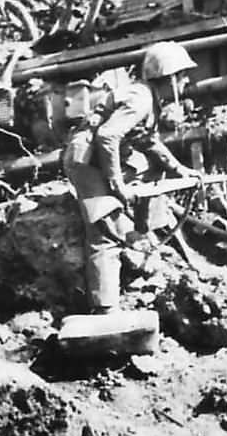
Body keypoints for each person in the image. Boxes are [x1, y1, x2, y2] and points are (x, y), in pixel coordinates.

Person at [62, 41, 201, 313]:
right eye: (183, 75)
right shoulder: (141, 99)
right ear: (170, 77)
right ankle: (105, 309)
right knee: (104, 230)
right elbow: (108, 135)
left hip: (96, 157)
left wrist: (180, 169)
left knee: (149, 168)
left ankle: (142, 237)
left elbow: (149, 141)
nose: (186, 82)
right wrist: (117, 185)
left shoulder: (150, 99)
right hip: (85, 162)